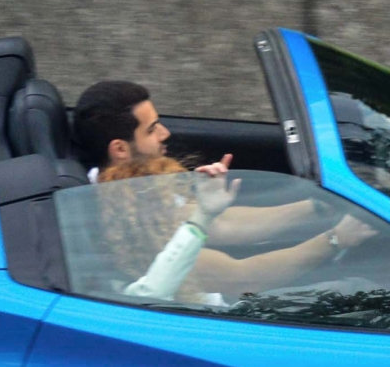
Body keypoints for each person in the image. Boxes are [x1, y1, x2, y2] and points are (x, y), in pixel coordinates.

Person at [70, 80, 371, 303]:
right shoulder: (126, 221)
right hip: (224, 320)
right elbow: (238, 277)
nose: (166, 134)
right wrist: (336, 239)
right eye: (151, 129)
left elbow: (221, 224)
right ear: (120, 149)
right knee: (358, 292)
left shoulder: (136, 188)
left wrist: (320, 205)